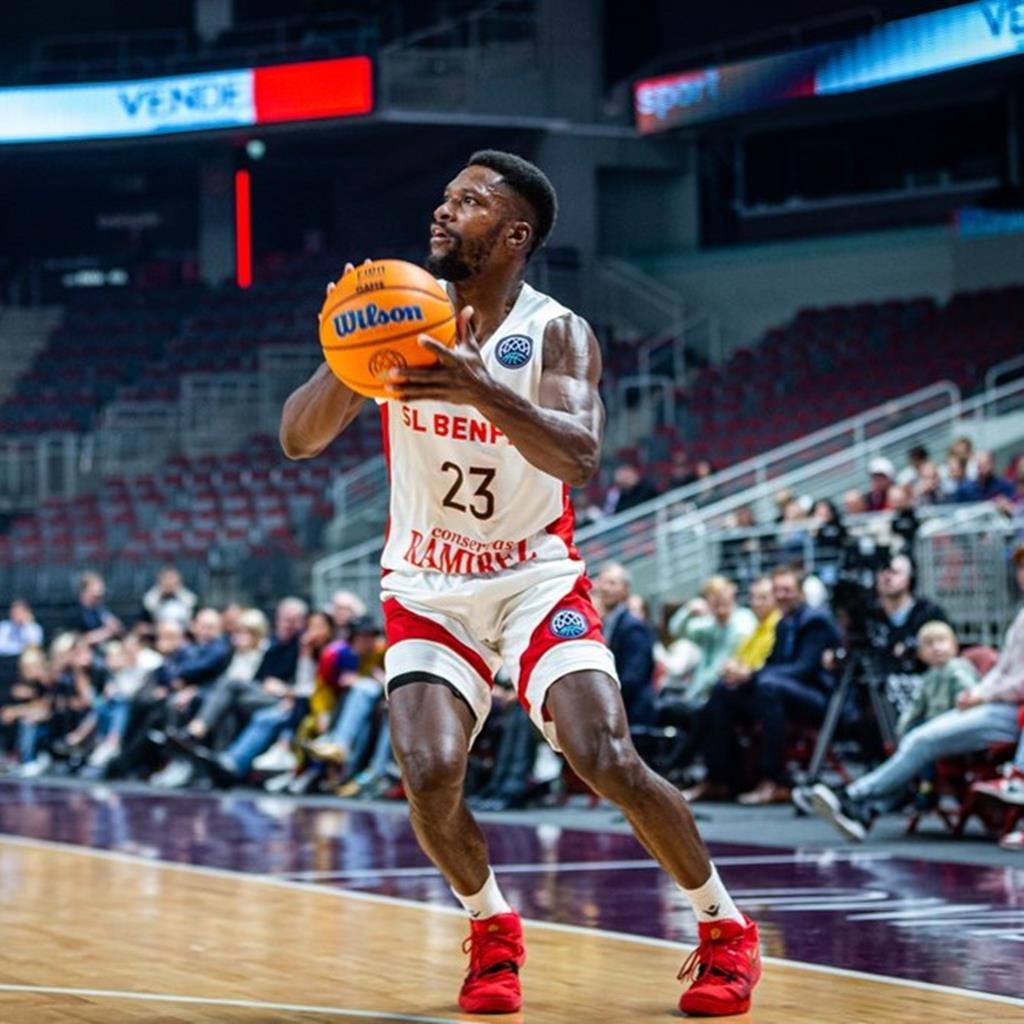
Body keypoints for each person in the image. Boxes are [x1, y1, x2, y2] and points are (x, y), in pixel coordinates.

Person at [280, 150, 760, 1018]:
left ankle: (724, 928)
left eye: (466, 202)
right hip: (427, 582)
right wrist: (342, 348)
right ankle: (492, 926)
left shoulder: (555, 331)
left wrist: (476, 384)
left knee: (604, 754)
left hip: (534, 575)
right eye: (444, 195)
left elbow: (578, 456)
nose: (441, 210)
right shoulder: (396, 322)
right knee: (428, 772)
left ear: (513, 235)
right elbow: (297, 439)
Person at [800, 544, 1024, 841]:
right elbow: (1001, 669)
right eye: (1020, 567)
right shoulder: (1021, 616)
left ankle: (852, 795)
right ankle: (865, 810)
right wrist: (979, 690)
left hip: (1013, 713)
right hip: (995, 703)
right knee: (918, 738)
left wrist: (984, 695)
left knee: (923, 740)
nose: (1022, 574)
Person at [688, 567, 839, 805]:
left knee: (768, 686)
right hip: (781, 691)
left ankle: (775, 780)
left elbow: (804, 668)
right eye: (777, 590)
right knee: (724, 690)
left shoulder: (815, 620)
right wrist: (742, 676)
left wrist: (752, 675)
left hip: (818, 697)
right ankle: (721, 777)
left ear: (800, 592)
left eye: (787, 589)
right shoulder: (784, 623)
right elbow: (772, 665)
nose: (781, 595)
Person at [667, 576, 756, 707]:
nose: (719, 599)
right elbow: (675, 630)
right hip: (699, 693)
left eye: (722, 593)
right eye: (713, 596)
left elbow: (730, 660)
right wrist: (688, 610)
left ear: (731, 593)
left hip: (727, 690)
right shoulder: (708, 625)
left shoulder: (743, 619)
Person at [594, 563, 656, 726]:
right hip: (612, 710)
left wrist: (603, 698)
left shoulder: (633, 626)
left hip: (632, 713)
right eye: (603, 582)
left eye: (612, 583)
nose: (605, 588)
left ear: (626, 590)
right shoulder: (604, 623)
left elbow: (633, 677)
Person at [140, 565, 198, 634]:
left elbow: (192, 621)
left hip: (183, 634)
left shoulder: (188, 598)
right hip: (158, 634)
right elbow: (143, 624)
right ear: (159, 581)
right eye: (166, 579)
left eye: (172, 579)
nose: (169, 582)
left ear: (179, 582)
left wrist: (178, 591)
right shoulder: (150, 598)